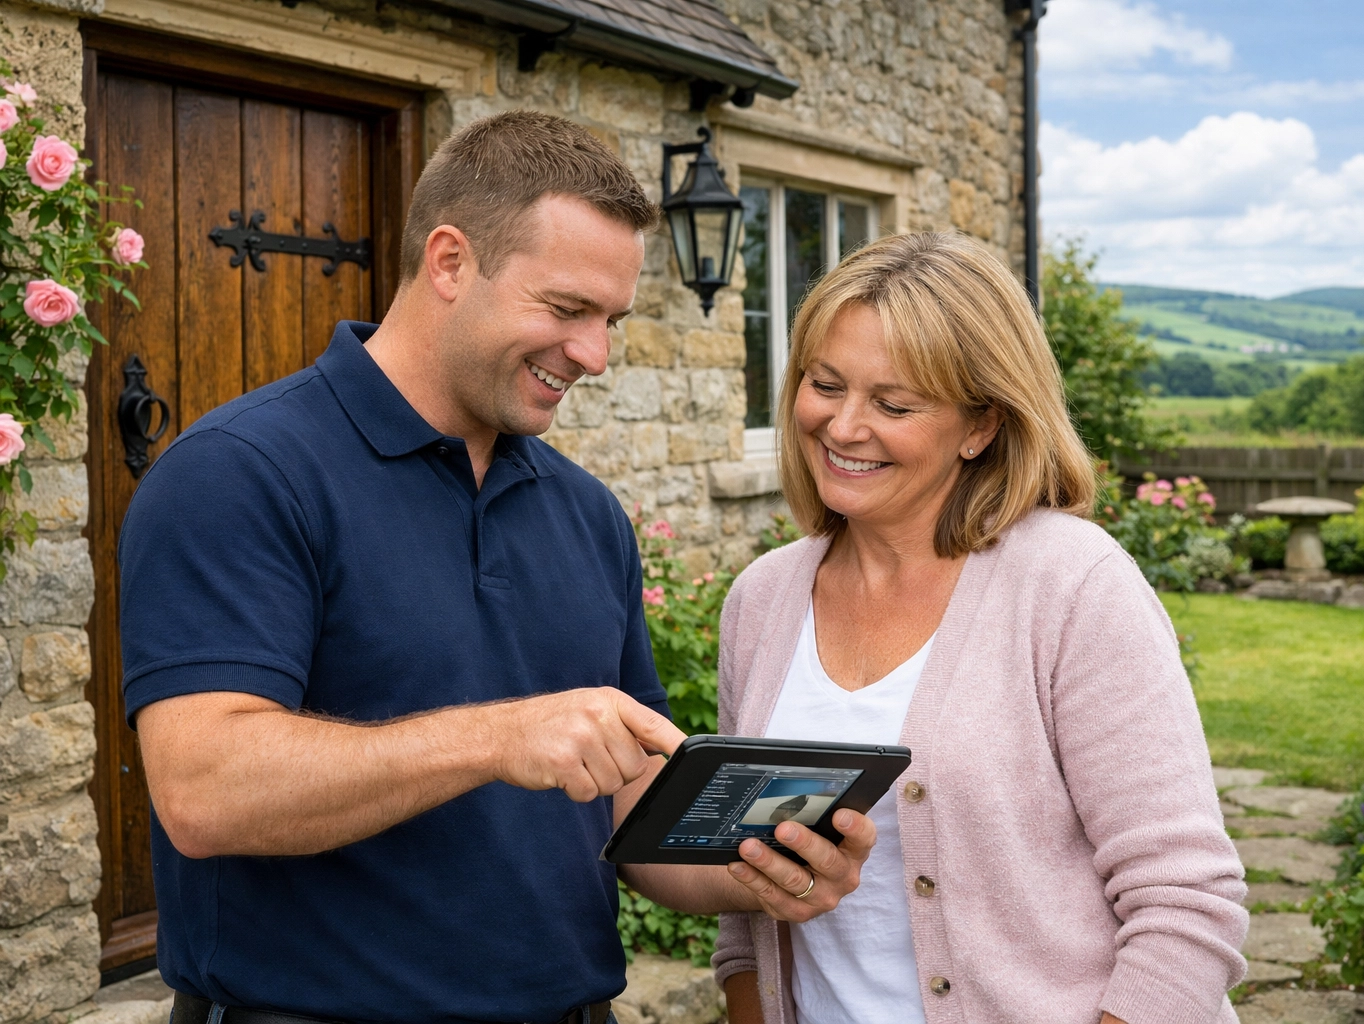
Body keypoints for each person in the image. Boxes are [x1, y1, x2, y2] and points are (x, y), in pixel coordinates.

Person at [120, 111, 872, 1024]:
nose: (595, 355)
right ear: (449, 262)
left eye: (610, 320)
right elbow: (204, 790)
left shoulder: (587, 513)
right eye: (566, 309)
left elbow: (632, 809)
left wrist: (762, 868)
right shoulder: (238, 472)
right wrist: (499, 739)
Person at [710, 232, 1249, 1024]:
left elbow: (1186, 905)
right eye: (825, 385)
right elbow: (744, 908)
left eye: (893, 405)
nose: (843, 426)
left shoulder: (1071, 585)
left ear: (981, 426)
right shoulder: (762, 600)